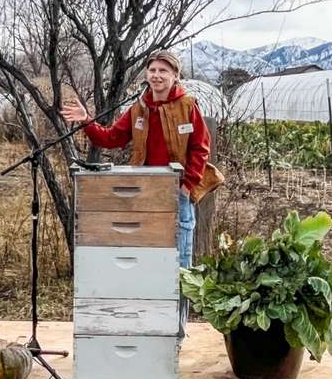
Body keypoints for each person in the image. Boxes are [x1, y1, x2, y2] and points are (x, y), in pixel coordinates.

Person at [61, 50, 224, 270]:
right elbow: (111, 138)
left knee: (180, 261)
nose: (157, 75)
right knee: (149, 255)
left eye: (163, 71)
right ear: (146, 74)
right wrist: (87, 121)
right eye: (153, 70)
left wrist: (186, 187)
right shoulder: (138, 108)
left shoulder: (187, 106)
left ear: (175, 75)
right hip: (145, 190)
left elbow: (200, 148)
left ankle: (180, 304)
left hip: (177, 192)